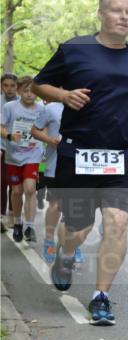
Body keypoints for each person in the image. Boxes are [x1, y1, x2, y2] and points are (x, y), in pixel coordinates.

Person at [32, 0, 128, 326]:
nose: (124, 17)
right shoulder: (74, 49)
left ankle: (100, 297)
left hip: (122, 155)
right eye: (117, 11)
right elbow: (39, 85)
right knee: (78, 229)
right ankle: (66, 255)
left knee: (117, 223)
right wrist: (64, 95)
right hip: (78, 153)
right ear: (101, 14)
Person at [1, 76, 45, 243]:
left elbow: (46, 128)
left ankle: (30, 226)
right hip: (13, 155)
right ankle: (18, 222)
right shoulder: (10, 107)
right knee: (17, 191)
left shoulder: (41, 109)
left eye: (33, 91)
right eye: (25, 91)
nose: (29, 94)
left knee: (30, 188)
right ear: (19, 91)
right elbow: (1, 126)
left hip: (33, 155)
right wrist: (10, 136)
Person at [30, 98, 64, 263]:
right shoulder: (51, 107)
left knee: (77, 205)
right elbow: (35, 130)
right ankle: (49, 242)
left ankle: (72, 244)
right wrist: (51, 140)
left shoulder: (90, 105)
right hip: (56, 162)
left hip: (82, 163)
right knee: (56, 204)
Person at [1, 72, 17, 230]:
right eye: (5, 85)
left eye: (12, 85)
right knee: (1, 182)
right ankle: (1, 216)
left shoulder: (23, 102)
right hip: (2, 147)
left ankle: (13, 213)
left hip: (18, 150)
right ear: (1, 87)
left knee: (14, 183)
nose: (9, 89)